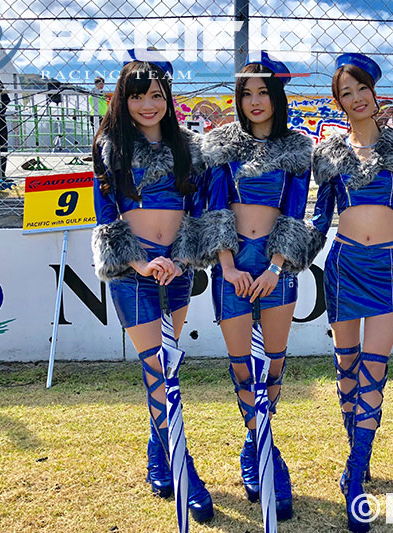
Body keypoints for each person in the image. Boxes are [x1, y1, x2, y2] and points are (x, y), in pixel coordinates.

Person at [90, 50, 214, 524]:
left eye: (156, 95)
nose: (147, 105)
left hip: (177, 271)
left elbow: (199, 211)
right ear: (123, 100)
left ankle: (157, 455)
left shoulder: (190, 148)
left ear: (168, 99)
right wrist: (141, 263)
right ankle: (185, 470)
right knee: (161, 371)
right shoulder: (111, 148)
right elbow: (106, 216)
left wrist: (180, 259)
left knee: (163, 366)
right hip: (133, 273)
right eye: (138, 96)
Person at [197, 52, 314, 521]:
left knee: (274, 366)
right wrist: (227, 267)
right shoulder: (220, 146)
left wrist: (276, 267)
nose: (254, 101)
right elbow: (213, 208)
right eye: (246, 93)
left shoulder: (297, 149)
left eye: (263, 92)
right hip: (234, 269)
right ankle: (266, 454)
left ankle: (255, 445)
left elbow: (295, 212)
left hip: (275, 269)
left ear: (277, 96)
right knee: (244, 367)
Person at [309, 52, 393, 532]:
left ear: (375, 93)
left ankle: (355, 473)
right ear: (338, 102)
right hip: (344, 264)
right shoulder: (329, 153)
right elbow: (320, 218)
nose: (355, 99)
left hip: (389, 266)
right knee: (347, 365)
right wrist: (282, 259)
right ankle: (359, 451)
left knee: (375, 368)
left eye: (361, 89)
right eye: (345, 93)